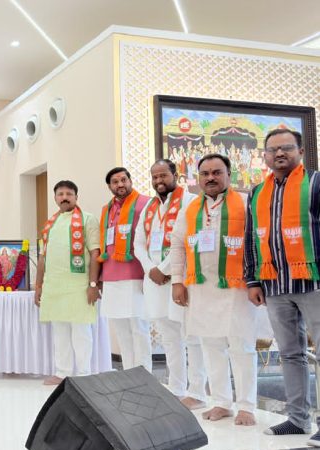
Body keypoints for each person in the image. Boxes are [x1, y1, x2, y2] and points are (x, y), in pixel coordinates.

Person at [171, 154, 259, 426]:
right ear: (198, 178)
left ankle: (246, 406)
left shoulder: (245, 203)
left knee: (241, 346)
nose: (210, 178)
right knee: (210, 344)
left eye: (217, 172)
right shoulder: (190, 208)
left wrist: (257, 281)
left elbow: (257, 241)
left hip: (236, 287)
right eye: (205, 173)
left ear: (229, 175)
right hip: (200, 287)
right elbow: (177, 244)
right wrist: (177, 281)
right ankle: (221, 402)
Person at [244, 129, 320, 441]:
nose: (279, 153)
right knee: (290, 354)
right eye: (272, 149)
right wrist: (253, 280)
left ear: (300, 151)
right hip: (275, 284)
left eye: (286, 147)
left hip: (313, 281)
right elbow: (251, 238)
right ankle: (298, 420)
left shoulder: (315, 184)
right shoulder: (257, 192)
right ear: (264, 156)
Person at [134, 160, 207, 409]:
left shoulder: (189, 201)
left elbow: (186, 240)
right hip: (155, 280)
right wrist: (150, 269)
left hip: (179, 277)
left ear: (176, 175)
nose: (158, 181)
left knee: (191, 335)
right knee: (169, 337)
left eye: (163, 175)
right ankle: (176, 389)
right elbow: (138, 243)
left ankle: (197, 392)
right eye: (154, 177)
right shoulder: (150, 206)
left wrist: (164, 269)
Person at [34, 181, 101, 385]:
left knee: (81, 331)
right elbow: (43, 257)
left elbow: (95, 253)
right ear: (55, 198)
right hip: (54, 286)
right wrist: (38, 286)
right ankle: (62, 372)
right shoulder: (50, 224)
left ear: (76, 197)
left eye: (69, 194)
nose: (64, 197)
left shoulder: (88, 219)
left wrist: (93, 285)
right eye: (60, 194)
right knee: (60, 332)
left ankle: (84, 374)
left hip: (79, 286)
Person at [98, 167, 152, 371]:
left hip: (135, 274)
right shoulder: (107, 209)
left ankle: (144, 374)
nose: (120, 184)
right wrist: (100, 278)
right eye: (115, 182)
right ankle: (129, 372)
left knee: (139, 327)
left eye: (123, 180)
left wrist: (149, 273)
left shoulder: (146, 203)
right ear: (109, 186)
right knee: (121, 329)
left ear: (130, 181)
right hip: (110, 276)